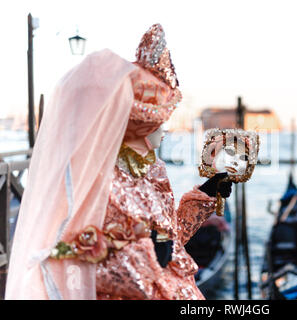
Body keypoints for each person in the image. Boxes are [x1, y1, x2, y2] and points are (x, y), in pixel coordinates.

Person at [5, 24, 231, 300]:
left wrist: (206, 194)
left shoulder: (153, 172)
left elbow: (171, 241)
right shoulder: (94, 180)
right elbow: (71, 262)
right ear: (131, 122)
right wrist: (149, 258)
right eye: (157, 122)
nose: (165, 129)